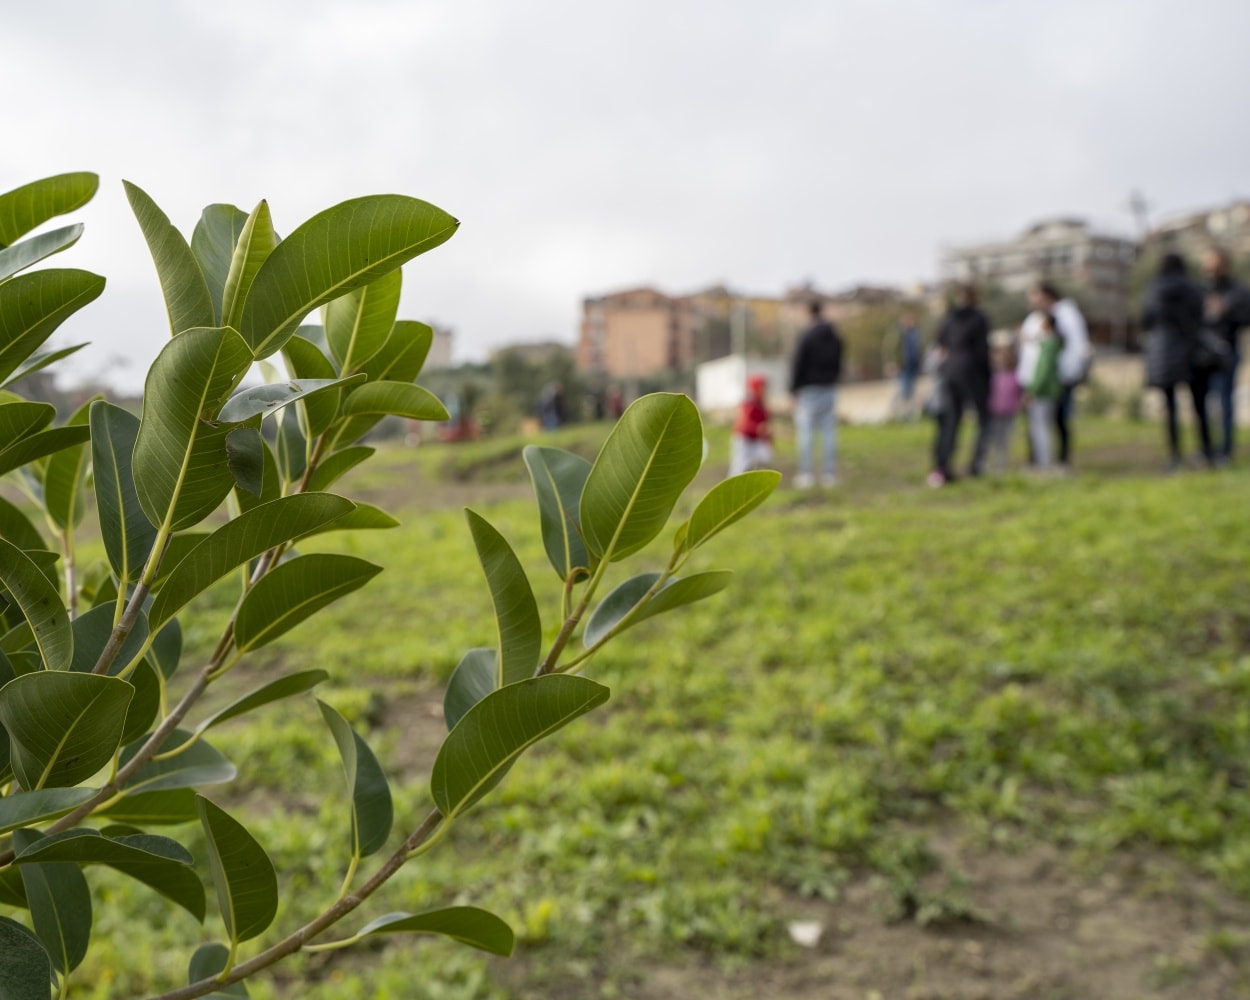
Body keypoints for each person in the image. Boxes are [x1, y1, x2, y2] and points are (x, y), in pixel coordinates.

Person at [1143, 253, 1211, 469]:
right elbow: (1202, 316)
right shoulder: (1193, 288)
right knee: (1199, 405)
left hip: (1165, 352)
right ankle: (1206, 452)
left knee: (1170, 408)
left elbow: (1146, 319)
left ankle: (1175, 456)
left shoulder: (1154, 289)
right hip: (1192, 351)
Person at [928, 284, 990, 487]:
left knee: (950, 421)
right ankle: (976, 465)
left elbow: (941, 345)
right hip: (972, 373)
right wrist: (988, 377)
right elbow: (982, 351)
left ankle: (942, 466)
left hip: (950, 372)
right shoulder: (979, 318)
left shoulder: (949, 318)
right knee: (983, 419)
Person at [1031, 283, 1090, 469]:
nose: (1032, 300)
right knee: (1050, 420)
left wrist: (1069, 373)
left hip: (1062, 376)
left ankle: (1062, 460)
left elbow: (1077, 346)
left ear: (1047, 295)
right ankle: (1047, 459)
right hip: (1054, 376)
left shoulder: (1067, 315)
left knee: (1061, 418)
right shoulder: (1049, 316)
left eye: (1035, 295)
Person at [1202, 246, 1250, 462]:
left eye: (1214, 265)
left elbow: (1246, 318)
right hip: (1205, 355)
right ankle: (1209, 450)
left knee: (1225, 403)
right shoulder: (1204, 290)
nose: (1210, 270)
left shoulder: (1237, 292)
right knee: (1206, 405)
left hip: (1227, 353)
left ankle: (1225, 451)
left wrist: (1225, 311)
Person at [789, 300, 843, 488]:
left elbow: (798, 363)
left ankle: (806, 474)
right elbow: (839, 361)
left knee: (806, 432)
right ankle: (829, 475)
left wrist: (793, 388)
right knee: (829, 432)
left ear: (808, 313)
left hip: (808, 389)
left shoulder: (808, 336)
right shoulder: (834, 336)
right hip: (829, 387)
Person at [1022, 312, 1063, 469]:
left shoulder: (1048, 345)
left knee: (1040, 428)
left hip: (1043, 392)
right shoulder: (1052, 344)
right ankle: (1044, 461)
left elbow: (1042, 371)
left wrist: (1033, 390)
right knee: (1045, 426)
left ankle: (1043, 463)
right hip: (1050, 391)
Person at [986, 334, 1022, 472]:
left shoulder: (1014, 374)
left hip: (1008, 410)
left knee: (1004, 438)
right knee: (993, 437)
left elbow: (1018, 392)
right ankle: (990, 463)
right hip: (993, 409)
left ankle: (1001, 463)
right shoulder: (991, 374)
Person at [729, 373, 773, 476]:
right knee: (739, 466)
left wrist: (769, 437)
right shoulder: (747, 403)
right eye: (761, 387)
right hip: (744, 439)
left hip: (757, 440)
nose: (764, 390)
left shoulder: (762, 405)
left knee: (764, 458)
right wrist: (757, 428)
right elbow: (743, 424)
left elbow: (766, 424)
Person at [894, 310, 923, 420]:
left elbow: (919, 350)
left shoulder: (916, 334)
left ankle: (908, 414)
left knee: (911, 391)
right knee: (903, 390)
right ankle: (898, 413)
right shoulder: (900, 333)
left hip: (913, 366)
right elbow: (892, 348)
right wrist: (894, 362)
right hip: (903, 366)